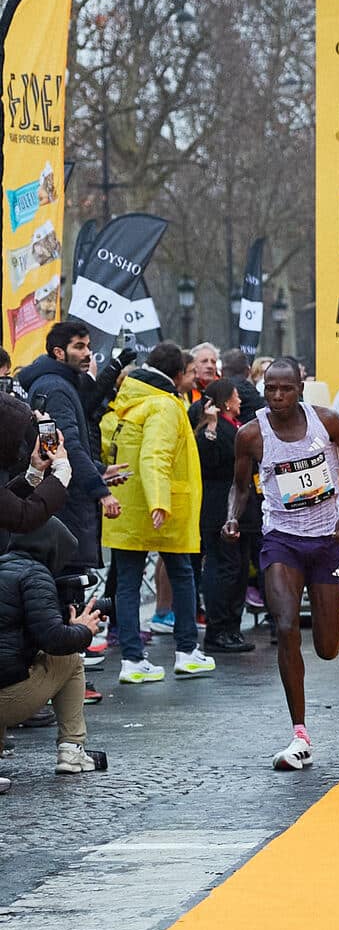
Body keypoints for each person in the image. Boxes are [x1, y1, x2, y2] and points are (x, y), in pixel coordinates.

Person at [224, 358, 339, 770]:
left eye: (286, 389)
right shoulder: (251, 434)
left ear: (300, 387)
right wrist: (233, 517)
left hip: (327, 540)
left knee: (327, 648)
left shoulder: (326, 422)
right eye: (270, 389)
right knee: (288, 624)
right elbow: (239, 487)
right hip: (281, 541)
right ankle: (299, 731)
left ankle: (304, 714)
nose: (277, 397)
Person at [101, 343, 207, 686]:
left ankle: (132, 658)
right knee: (182, 573)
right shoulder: (164, 405)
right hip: (163, 506)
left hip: (127, 504)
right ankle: (187, 651)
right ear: (177, 375)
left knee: (128, 582)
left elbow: (109, 446)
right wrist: (159, 501)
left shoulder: (126, 401)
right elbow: (155, 456)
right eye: (190, 373)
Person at [0, 521, 107, 781]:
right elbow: (54, 640)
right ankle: (72, 749)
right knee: (70, 659)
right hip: (7, 699)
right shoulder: (35, 575)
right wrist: (84, 630)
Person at [17, 322, 110, 587]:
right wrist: (100, 489)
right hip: (64, 507)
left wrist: (100, 471)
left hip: (63, 504)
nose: (88, 353)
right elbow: (62, 447)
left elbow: (60, 447)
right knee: (64, 595)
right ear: (59, 352)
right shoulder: (55, 388)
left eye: (89, 346)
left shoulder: (59, 384)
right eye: (79, 347)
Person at [192, 379, 251, 654]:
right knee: (224, 569)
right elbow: (210, 461)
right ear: (227, 401)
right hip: (220, 510)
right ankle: (219, 630)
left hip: (235, 509)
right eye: (236, 396)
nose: (240, 401)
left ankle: (231, 628)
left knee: (236, 569)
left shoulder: (235, 427)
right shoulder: (213, 430)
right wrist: (212, 427)